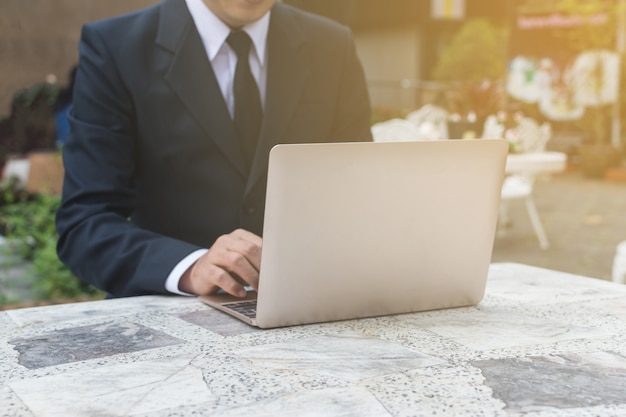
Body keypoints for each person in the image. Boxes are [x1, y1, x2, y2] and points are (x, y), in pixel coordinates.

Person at [55, 0, 372, 299]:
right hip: (169, 317)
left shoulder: (332, 45)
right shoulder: (117, 46)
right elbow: (84, 224)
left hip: (308, 306)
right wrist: (192, 267)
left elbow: (358, 195)